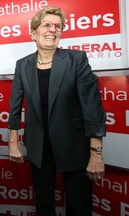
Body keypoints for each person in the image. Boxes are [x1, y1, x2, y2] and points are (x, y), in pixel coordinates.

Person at [8, 7, 106, 216]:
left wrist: (96, 152)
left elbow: (92, 106)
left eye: (58, 26)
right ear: (33, 32)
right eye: (47, 25)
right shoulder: (22, 65)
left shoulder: (76, 59)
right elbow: (15, 106)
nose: (53, 30)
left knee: (79, 207)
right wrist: (13, 142)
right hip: (38, 148)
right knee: (44, 205)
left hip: (74, 146)